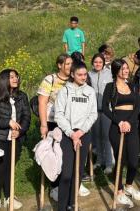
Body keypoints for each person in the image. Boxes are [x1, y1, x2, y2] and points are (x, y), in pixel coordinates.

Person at [55, 62, 98, 211]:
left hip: (84, 134)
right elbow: (59, 115)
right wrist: (72, 134)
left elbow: (93, 114)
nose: (83, 77)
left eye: (85, 74)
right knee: (67, 173)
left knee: (78, 172)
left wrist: (81, 132)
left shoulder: (90, 91)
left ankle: (72, 204)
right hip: (68, 135)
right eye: (79, 74)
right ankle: (61, 206)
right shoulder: (64, 91)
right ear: (72, 74)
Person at [0, 69, 31, 211]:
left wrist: (20, 130)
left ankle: (9, 197)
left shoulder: (22, 96)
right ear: (4, 79)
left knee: (10, 167)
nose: (15, 79)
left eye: (16, 76)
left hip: (15, 139)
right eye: (11, 77)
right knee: (0, 168)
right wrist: (8, 122)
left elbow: (26, 117)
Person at [102, 59, 140, 208]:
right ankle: (119, 192)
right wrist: (120, 122)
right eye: (123, 68)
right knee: (121, 160)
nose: (126, 70)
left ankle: (129, 185)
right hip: (116, 127)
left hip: (131, 126)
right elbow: (105, 108)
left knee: (133, 161)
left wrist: (129, 122)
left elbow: (138, 107)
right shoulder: (110, 87)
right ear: (116, 71)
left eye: (127, 68)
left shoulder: (132, 86)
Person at [37, 53, 73, 201]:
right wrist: (44, 124)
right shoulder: (50, 80)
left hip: (69, 123)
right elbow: (42, 103)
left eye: (72, 64)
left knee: (67, 154)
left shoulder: (73, 79)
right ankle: (54, 187)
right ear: (60, 65)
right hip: (52, 122)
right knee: (53, 155)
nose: (71, 67)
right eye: (68, 64)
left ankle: (67, 183)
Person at [88, 53, 115, 174]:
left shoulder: (109, 74)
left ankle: (109, 163)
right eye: (95, 62)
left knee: (107, 136)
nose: (98, 64)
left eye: (100, 62)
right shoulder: (88, 75)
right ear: (92, 63)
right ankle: (99, 160)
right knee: (96, 136)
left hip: (106, 111)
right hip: (93, 111)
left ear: (104, 63)